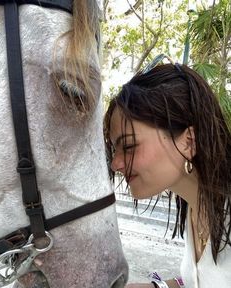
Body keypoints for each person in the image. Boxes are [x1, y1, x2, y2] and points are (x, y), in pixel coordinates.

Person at [104, 59, 231, 288]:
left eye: (129, 146)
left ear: (189, 142)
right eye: (115, 149)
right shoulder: (198, 209)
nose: (115, 164)